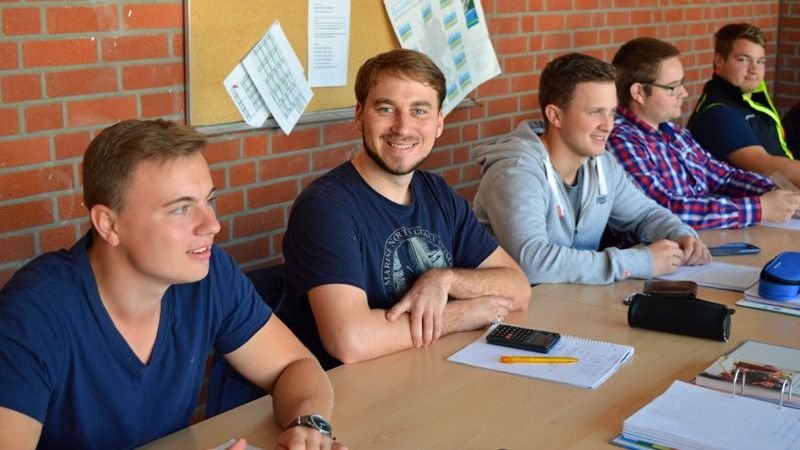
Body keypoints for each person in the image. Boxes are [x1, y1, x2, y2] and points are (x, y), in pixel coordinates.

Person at [0, 120, 346, 450]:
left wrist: (308, 426)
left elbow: (293, 366)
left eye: (208, 201)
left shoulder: (207, 274)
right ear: (109, 224)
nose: (212, 225)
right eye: (182, 209)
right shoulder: (30, 316)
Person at [278, 49, 531, 370]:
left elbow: (518, 287)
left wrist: (445, 281)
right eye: (386, 109)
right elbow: (350, 340)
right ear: (359, 116)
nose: (403, 127)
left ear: (439, 123)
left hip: (424, 371)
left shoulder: (437, 193)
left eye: (419, 111)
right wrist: (459, 315)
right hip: (343, 388)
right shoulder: (324, 208)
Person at [471, 53, 710, 285]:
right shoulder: (515, 172)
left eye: (612, 112)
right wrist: (638, 262)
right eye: (595, 112)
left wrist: (681, 235)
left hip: (570, 301)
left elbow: (645, 214)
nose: (608, 125)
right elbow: (532, 262)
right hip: (513, 307)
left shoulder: (602, 164)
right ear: (555, 116)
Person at [608, 37, 800, 229]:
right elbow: (663, 209)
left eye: (682, 83)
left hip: (705, 239)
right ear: (639, 92)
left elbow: (723, 178)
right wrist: (758, 208)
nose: (684, 93)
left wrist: (780, 195)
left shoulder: (675, 133)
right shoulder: (621, 141)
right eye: (673, 87)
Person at [688, 23, 800, 187]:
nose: (754, 69)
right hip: (753, 200)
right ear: (719, 60)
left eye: (760, 61)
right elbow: (764, 167)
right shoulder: (718, 113)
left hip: (783, 191)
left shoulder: (751, 97)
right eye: (743, 60)